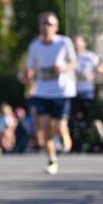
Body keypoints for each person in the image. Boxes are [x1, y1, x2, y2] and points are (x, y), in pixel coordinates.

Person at [25, 12, 76, 175]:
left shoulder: (64, 42)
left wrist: (64, 68)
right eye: (44, 24)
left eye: (50, 24)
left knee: (59, 126)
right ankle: (52, 160)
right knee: (45, 126)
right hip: (42, 91)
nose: (47, 27)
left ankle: (63, 135)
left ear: (56, 27)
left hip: (61, 91)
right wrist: (29, 74)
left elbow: (74, 63)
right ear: (40, 27)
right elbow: (30, 67)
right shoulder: (34, 46)